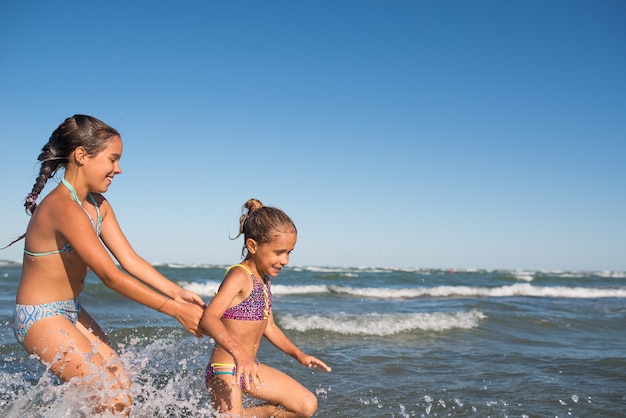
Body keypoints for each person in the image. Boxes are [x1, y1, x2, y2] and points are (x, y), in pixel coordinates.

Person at [4, 115, 206, 416]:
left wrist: (177, 292)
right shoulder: (63, 207)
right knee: (111, 398)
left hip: (70, 310)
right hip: (39, 317)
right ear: (82, 155)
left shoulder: (99, 206)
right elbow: (111, 275)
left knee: (122, 386)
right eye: (113, 159)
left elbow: (129, 260)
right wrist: (175, 310)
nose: (119, 168)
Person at [199, 198, 331, 417]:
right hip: (225, 369)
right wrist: (240, 355)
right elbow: (209, 318)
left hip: (251, 367)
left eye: (289, 252)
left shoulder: (264, 280)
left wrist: (299, 355)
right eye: (279, 252)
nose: (286, 260)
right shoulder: (239, 275)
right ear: (252, 246)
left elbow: (270, 327)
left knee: (306, 405)